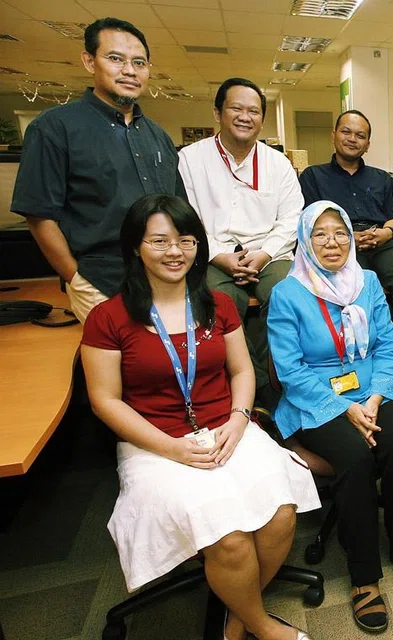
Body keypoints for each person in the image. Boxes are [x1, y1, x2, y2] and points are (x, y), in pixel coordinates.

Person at [80, 194, 321, 640]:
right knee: (229, 538)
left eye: (186, 241)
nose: (175, 252)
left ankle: (238, 612)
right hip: (155, 443)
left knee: (282, 514)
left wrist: (240, 418)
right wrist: (170, 446)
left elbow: (242, 370)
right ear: (135, 247)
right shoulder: (107, 318)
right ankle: (258, 624)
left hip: (228, 428)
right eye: (160, 241)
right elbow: (105, 401)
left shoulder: (217, 305)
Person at [267, 201, 393, 633]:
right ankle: (364, 577)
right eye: (320, 233)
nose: (332, 242)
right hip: (318, 399)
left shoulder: (369, 281)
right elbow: (290, 371)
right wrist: (346, 408)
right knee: (356, 457)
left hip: (372, 390)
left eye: (340, 232)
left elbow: (388, 349)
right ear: (305, 241)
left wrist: (378, 398)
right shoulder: (287, 293)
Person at [11, 17, 184, 323]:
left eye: (139, 62)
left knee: (158, 366)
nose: (129, 71)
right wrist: (75, 277)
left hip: (161, 277)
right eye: (116, 59)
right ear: (90, 62)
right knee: (107, 366)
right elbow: (39, 214)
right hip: (99, 279)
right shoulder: (55, 128)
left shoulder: (158, 137)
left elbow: (176, 208)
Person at [178, 77, 303, 413]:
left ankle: (280, 381)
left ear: (262, 117)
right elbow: (189, 218)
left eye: (254, 111)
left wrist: (262, 256)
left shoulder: (278, 164)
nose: (245, 116)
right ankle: (260, 387)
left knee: (285, 296)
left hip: (270, 253)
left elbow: (292, 218)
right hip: (212, 254)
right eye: (236, 108)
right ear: (218, 113)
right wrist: (221, 257)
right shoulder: (191, 159)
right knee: (220, 301)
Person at [298, 110, 393, 402]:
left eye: (360, 135)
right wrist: (345, 237)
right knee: (352, 293)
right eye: (346, 132)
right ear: (334, 135)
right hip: (338, 244)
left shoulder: (382, 178)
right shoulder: (313, 176)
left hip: (380, 240)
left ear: (368, 143)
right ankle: (352, 368)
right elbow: (307, 221)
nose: (352, 139)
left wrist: (386, 233)